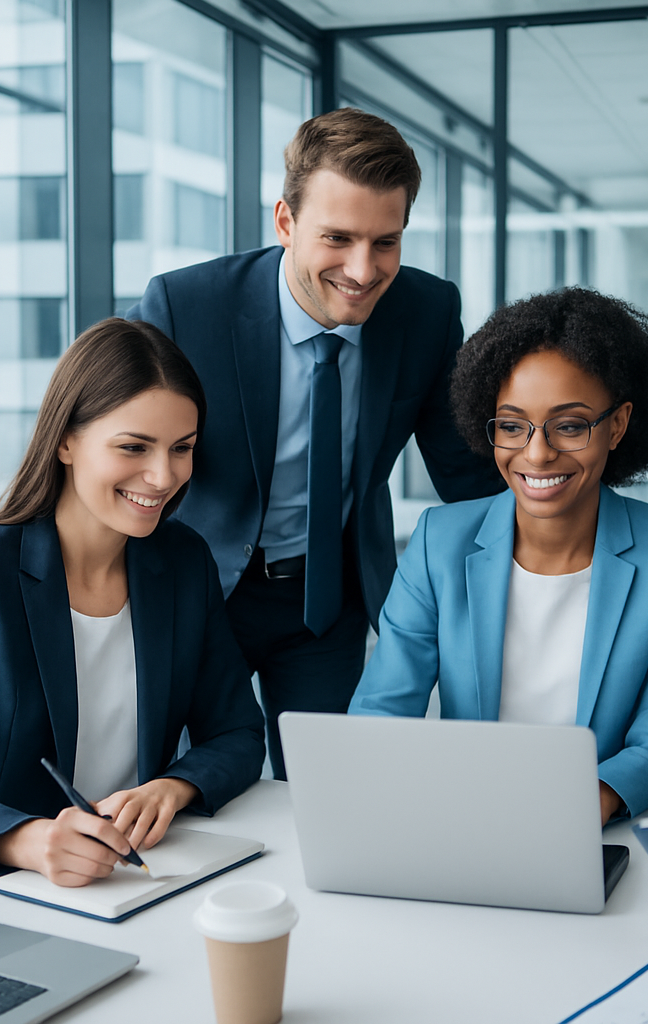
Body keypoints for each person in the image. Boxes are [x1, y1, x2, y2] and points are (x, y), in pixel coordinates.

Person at [128, 107, 502, 778]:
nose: (363, 270)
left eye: (386, 242)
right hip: (202, 588)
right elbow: (117, 445)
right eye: (338, 238)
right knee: (189, 782)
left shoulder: (426, 312)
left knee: (330, 788)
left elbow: (467, 472)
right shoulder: (187, 307)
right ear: (286, 222)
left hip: (329, 598)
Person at [349, 288, 648, 823]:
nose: (538, 452)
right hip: (463, 819)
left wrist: (575, 809)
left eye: (570, 425)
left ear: (616, 426)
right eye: (512, 425)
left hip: (594, 828)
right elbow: (382, 711)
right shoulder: (439, 541)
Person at [0, 319, 265, 886]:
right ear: (66, 440)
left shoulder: (184, 561)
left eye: (181, 449)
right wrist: (26, 840)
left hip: (143, 874)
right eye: (134, 447)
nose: (163, 477)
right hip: (5, 888)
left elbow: (237, 731)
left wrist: (175, 785)